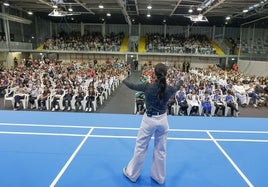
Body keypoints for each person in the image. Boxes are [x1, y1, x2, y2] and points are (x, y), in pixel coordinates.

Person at [120, 63, 182, 185]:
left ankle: (132, 174)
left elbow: (133, 85)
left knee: (141, 148)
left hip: (149, 120)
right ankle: (159, 177)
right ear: (166, 74)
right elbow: (178, 87)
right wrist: (180, 81)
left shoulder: (148, 87)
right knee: (161, 150)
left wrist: (123, 80)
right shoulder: (169, 89)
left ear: (154, 74)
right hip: (163, 120)